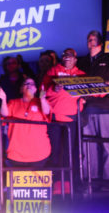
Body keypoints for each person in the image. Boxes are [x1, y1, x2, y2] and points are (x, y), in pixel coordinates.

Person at [77, 30, 109, 190]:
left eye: (93, 39)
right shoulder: (82, 61)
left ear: (100, 41)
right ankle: (90, 182)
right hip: (86, 109)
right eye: (88, 39)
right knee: (88, 147)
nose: (90, 41)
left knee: (108, 146)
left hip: (106, 108)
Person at [41, 48, 85, 191]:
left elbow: (94, 91)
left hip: (71, 119)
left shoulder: (81, 75)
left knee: (69, 153)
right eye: (65, 56)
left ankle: (67, 183)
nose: (67, 58)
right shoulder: (53, 72)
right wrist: (55, 88)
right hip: (55, 118)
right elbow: (42, 91)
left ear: (75, 59)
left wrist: (104, 88)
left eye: (70, 56)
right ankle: (53, 183)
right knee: (54, 152)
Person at [0, 78, 51, 167]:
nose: (28, 85)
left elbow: (47, 111)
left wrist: (43, 99)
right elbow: (4, 114)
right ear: (21, 89)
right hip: (16, 155)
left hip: (40, 154)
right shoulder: (13, 103)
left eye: (32, 84)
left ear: (36, 89)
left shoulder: (41, 102)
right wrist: (3, 100)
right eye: (26, 83)